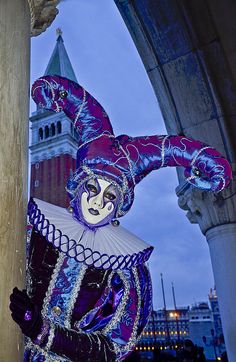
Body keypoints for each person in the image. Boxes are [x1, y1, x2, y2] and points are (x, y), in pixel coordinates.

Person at [9, 75, 232, 361]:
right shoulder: (37, 230)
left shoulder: (127, 268)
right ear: (77, 186)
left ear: (121, 205)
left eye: (110, 196)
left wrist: (45, 332)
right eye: (91, 188)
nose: (98, 202)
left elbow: (116, 346)